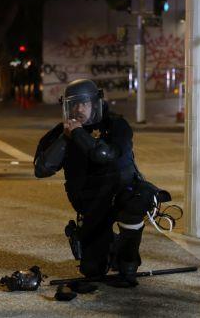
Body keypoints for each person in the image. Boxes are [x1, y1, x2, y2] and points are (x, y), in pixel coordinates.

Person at [34, 79, 144, 287]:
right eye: (73, 104)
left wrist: (78, 134)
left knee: (137, 202)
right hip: (90, 201)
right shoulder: (63, 131)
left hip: (119, 193)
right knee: (93, 271)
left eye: (84, 103)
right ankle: (107, 246)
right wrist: (65, 139)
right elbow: (41, 169)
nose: (78, 109)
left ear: (96, 103)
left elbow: (105, 154)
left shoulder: (116, 125)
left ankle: (128, 262)